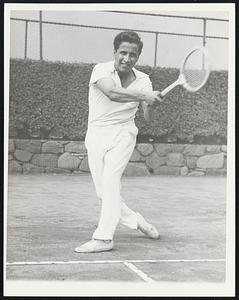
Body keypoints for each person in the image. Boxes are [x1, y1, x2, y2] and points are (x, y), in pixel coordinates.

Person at [75, 31, 163, 253]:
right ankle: (136, 220)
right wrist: (145, 96)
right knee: (103, 192)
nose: (127, 58)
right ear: (115, 52)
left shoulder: (144, 80)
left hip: (124, 133)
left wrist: (151, 104)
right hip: (96, 134)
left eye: (133, 54)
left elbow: (147, 117)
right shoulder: (101, 69)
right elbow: (112, 93)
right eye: (123, 52)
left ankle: (104, 238)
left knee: (112, 181)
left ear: (138, 56)